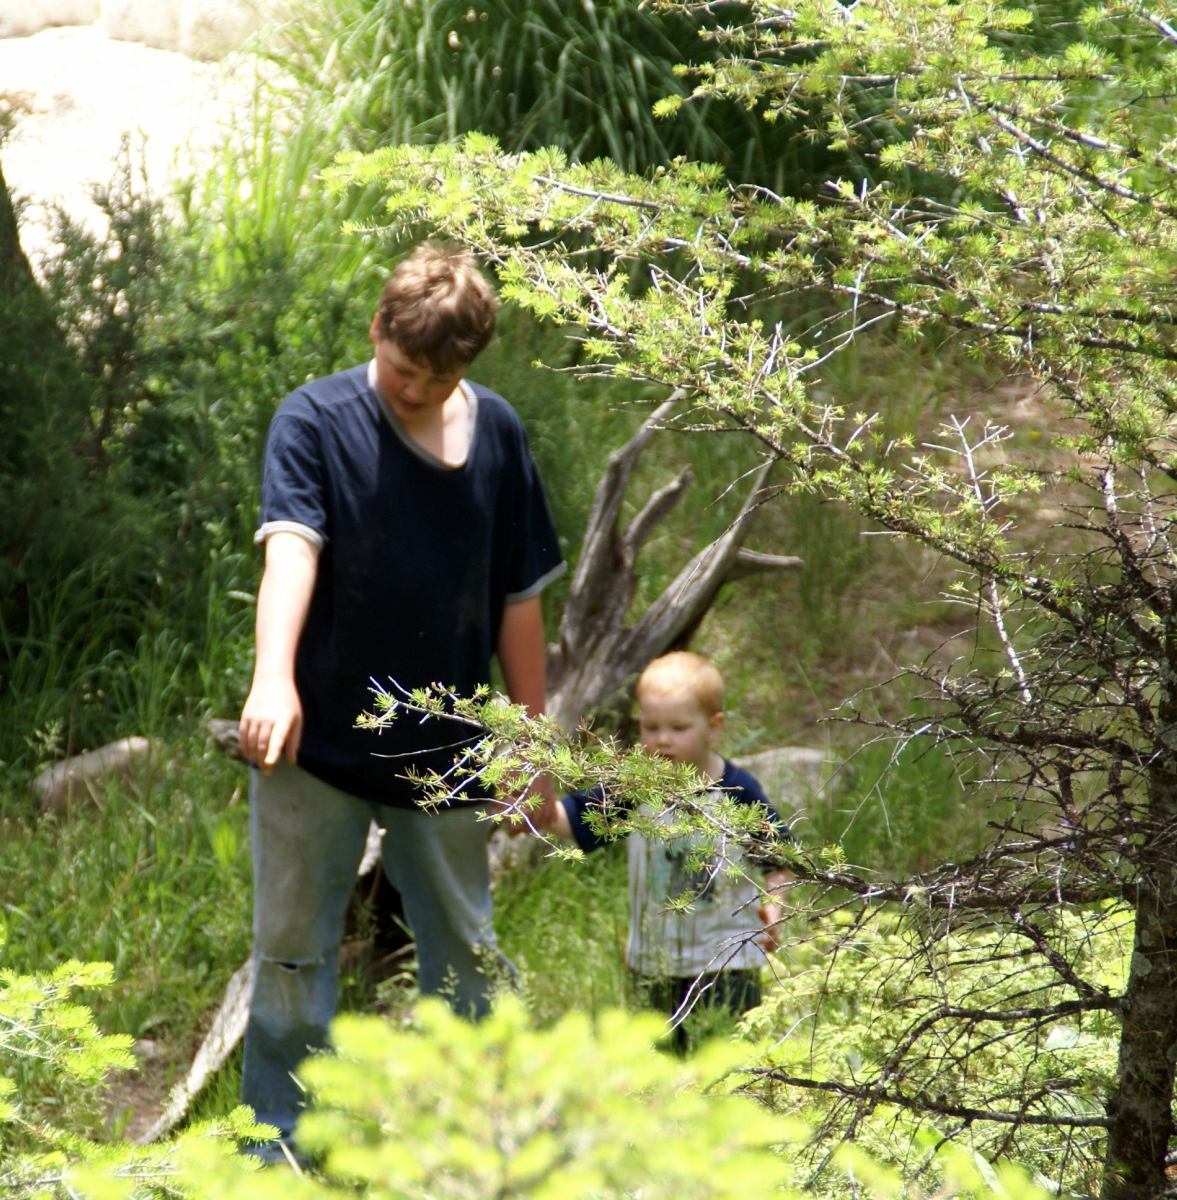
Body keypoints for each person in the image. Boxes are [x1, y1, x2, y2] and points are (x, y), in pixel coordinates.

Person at [236, 243, 565, 1155]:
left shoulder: (497, 435)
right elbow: (290, 550)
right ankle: (279, 1145)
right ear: (376, 326)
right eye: (399, 368)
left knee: (465, 957)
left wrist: (531, 743)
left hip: (446, 754)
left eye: (435, 378)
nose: (412, 391)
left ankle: (471, 1145)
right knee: (292, 955)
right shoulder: (314, 419)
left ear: (468, 367)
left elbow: (519, 600)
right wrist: (273, 677)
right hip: (315, 747)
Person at [540, 650, 793, 1050]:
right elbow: (572, 820)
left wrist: (774, 909)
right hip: (653, 964)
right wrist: (529, 804)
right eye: (651, 726)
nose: (662, 739)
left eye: (678, 728)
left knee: (726, 1064)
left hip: (727, 964)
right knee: (658, 1068)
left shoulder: (737, 791)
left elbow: (779, 860)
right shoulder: (635, 788)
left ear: (713, 728)